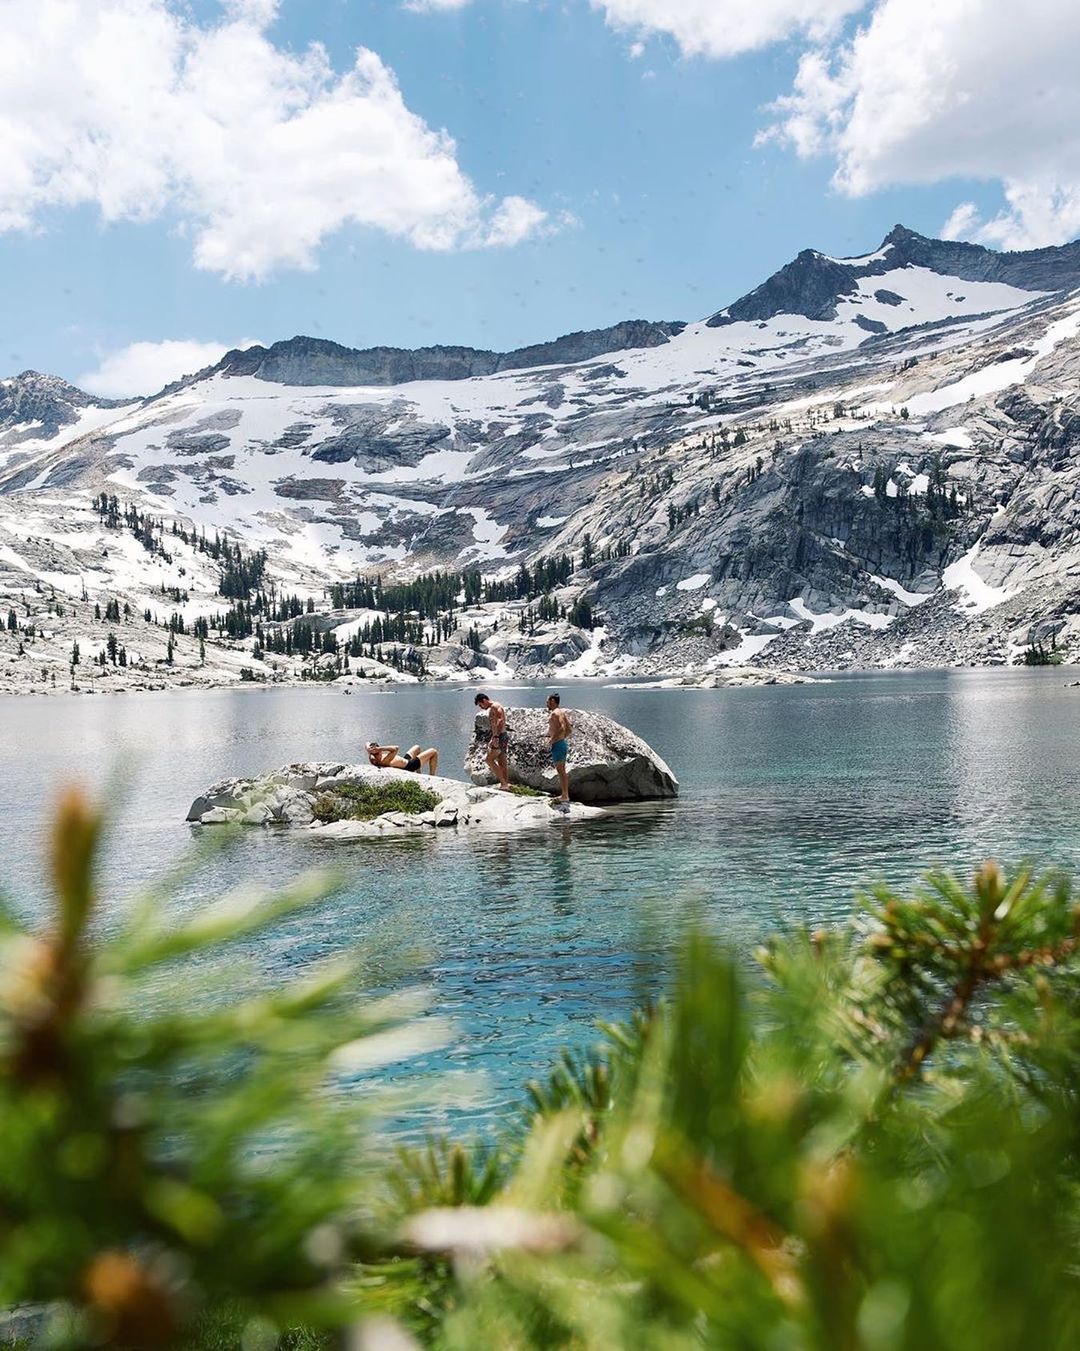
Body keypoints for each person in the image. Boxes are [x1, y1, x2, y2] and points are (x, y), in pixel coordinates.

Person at [474, 691, 511, 790]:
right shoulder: (495, 706)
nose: (481, 707)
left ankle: (504, 784)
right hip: (502, 736)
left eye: (480, 705)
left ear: (484, 700)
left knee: (489, 760)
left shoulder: (495, 706)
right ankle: (506, 784)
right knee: (502, 762)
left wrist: (495, 737)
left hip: (500, 736)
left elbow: (500, 720)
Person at [547, 693, 572, 812]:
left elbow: (562, 727)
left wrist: (553, 739)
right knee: (561, 771)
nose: (546, 703)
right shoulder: (561, 712)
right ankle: (564, 794)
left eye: (547, 701)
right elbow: (569, 729)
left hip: (558, 745)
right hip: (560, 744)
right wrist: (561, 738)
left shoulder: (555, 713)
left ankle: (565, 795)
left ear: (552, 701)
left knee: (561, 771)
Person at [366, 741, 439, 775]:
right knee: (434, 751)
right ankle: (432, 776)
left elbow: (367, 743)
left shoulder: (371, 756)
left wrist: (369, 748)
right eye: (377, 752)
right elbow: (396, 748)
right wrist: (380, 748)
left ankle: (418, 773)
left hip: (405, 760)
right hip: (410, 765)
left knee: (417, 747)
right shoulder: (383, 760)